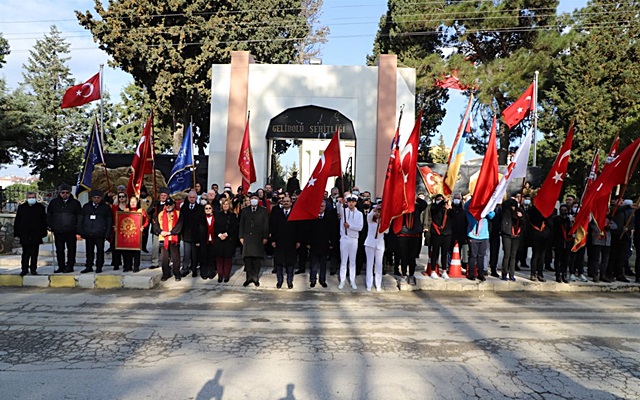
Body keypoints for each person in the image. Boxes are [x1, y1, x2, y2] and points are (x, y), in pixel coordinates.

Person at [46, 183, 82, 273]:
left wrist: (78, 228)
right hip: (58, 230)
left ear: (70, 193)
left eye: (67, 192)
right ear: (59, 193)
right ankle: (61, 266)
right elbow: (49, 215)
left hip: (71, 230)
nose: (65, 194)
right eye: (63, 192)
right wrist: (50, 225)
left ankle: (70, 266)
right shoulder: (54, 202)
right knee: (59, 250)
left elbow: (79, 216)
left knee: (71, 249)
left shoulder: (75, 203)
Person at [238, 192, 269, 287]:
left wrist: (265, 237)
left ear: (258, 200)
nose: (254, 200)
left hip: (258, 238)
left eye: (256, 198)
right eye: (252, 198)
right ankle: (248, 278)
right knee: (247, 259)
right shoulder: (245, 210)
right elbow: (241, 225)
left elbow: (266, 225)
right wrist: (241, 236)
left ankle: (255, 277)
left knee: (256, 259)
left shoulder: (263, 211)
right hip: (247, 238)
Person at [78, 190, 112, 274]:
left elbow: (109, 221)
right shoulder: (86, 206)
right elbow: (81, 219)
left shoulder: (105, 207)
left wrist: (107, 233)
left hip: (100, 233)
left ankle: (99, 266)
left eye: (98, 198)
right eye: (95, 198)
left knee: (100, 251)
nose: (96, 199)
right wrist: (81, 231)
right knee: (89, 251)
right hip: (88, 232)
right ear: (91, 198)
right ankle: (88, 266)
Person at [305, 201, 338, 288]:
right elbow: (307, 231)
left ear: (325, 207)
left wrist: (332, 243)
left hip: (325, 245)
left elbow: (332, 232)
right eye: (319, 206)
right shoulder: (311, 218)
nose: (320, 207)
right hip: (313, 245)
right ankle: (312, 280)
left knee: (323, 265)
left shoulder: (329, 218)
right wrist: (308, 243)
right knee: (313, 264)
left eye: (322, 206)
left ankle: (322, 280)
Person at [14, 192, 48, 276]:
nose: (31, 199)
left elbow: (44, 221)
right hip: (24, 233)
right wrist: (17, 233)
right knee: (25, 253)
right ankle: (24, 269)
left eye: (33, 197)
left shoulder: (40, 207)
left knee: (34, 253)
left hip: (36, 234)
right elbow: (17, 221)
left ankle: (33, 269)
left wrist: (43, 232)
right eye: (29, 197)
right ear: (26, 198)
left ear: (36, 197)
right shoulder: (22, 207)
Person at [397, 195, 428, 285]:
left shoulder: (417, 207)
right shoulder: (402, 207)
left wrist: (416, 198)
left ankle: (411, 274)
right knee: (403, 256)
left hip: (414, 234)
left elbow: (424, 205)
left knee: (412, 257)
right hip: (403, 233)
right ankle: (403, 274)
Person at [269, 196, 298, 289]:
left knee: (290, 263)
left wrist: (298, 241)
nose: (286, 203)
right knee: (279, 263)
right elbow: (273, 227)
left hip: (291, 242)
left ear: (291, 203)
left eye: (287, 201)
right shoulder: (277, 213)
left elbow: (299, 228)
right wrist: (273, 240)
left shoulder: (295, 214)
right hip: (279, 242)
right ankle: (279, 281)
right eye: (284, 201)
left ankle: (289, 281)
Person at [464, 197, 494, 281]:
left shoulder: (485, 210)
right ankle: (471, 274)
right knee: (473, 256)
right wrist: (475, 198)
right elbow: (466, 206)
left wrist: (486, 205)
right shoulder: (471, 209)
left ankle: (480, 274)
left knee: (481, 256)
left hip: (484, 236)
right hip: (473, 235)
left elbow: (492, 215)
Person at [337, 194, 363, 289]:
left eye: (353, 202)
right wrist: (340, 202)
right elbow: (339, 208)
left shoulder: (359, 214)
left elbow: (360, 227)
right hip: (344, 238)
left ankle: (352, 280)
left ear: (355, 203)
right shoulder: (344, 211)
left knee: (352, 261)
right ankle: (342, 280)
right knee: (343, 261)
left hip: (354, 239)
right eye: (349, 202)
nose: (351, 204)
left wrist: (350, 226)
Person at [154, 198, 183, 281]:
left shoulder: (178, 214)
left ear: (173, 205)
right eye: (167, 205)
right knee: (164, 258)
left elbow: (179, 226)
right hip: (163, 238)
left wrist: (170, 232)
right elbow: (156, 225)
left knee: (175, 257)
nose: (168, 206)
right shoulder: (160, 214)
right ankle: (166, 274)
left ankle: (177, 274)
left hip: (173, 238)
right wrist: (161, 231)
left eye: (170, 204)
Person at [179, 190, 206, 278]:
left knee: (194, 254)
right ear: (188, 198)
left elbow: (201, 223)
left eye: (193, 197)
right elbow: (181, 222)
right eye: (190, 197)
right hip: (186, 235)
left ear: (196, 198)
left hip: (196, 236)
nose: (192, 199)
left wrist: (199, 237)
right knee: (186, 254)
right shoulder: (184, 208)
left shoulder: (200, 208)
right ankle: (185, 269)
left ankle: (194, 269)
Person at [213, 198, 239, 283]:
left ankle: (226, 275)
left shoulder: (233, 216)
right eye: (224, 204)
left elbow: (234, 227)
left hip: (229, 240)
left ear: (229, 205)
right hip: (219, 239)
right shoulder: (218, 215)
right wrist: (220, 235)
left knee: (228, 258)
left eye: (227, 204)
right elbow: (215, 227)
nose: (225, 205)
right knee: (219, 258)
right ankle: (220, 275)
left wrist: (226, 234)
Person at [122, 196, 148, 273]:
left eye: (134, 202)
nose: (132, 203)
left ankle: (136, 266)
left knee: (136, 251)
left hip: (137, 234)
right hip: (127, 234)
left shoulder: (141, 211)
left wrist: (143, 226)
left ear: (137, 203)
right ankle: (127, 266)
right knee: (127, 251)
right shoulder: (125, 210)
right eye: (131, 202)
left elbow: (146, 220)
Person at [364, 203, 386, 291]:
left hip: (380, 244)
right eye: (377, 211)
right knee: (369, 264)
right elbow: (369, 216)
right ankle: (369, 284)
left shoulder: (384, 221)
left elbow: (387, 231)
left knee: (379, 265)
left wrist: (382, 224)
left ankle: (378, 284)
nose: (377, 213)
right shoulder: (370, 219)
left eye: (379, 211)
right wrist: (375, 209)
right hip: (370, 243)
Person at [146, 188, 170, 269]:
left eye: (165, 195)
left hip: (166, 228)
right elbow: (148, 212)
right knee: (155, 247)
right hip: (156, 228)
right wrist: (153, 206)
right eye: (162, 195)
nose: (163, 197)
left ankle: (167, 262)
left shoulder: (169, 204)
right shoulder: (155, 203)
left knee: (166, 246)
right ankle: (154, 262)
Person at [429, 193, 452, 279]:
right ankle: (433, 270)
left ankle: (444, 271)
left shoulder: (447, 209)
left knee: (444, 253)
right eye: (438, 199)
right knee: (435, 252)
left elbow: (454, 218)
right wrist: (442, 202)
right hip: (436, 233)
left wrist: (450, 209)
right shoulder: (434, 207)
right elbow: (435, 209)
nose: (440, 201)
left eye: (441, 199)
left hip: (447, 234)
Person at [527, 204, 551, 282]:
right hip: (535, 235)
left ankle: (540, 273)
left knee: (542, 256)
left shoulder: (548, 209)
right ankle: (533, 273)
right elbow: (529, 219)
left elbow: (551, 223)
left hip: (545, 235)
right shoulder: (532, 209)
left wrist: (546, 217)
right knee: (536, 255)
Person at [500, 196, 522, 281]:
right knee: (507, 255)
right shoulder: (506, 213)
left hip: (516, 236)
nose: (513, 208)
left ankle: (512, 274)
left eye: (514, 206)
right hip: (507, 235)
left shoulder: (519, 212)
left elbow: (523, 223)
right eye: (511, 206)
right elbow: (504, 224)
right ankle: (504, 273)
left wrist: (521, 216)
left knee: (513, 256)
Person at [590, 214, 615, 283]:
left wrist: (609, 226)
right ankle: (595, 274)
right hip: (598, 240)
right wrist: (601, 228)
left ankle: (602, 274)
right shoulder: (595, 218)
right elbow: (592, 225)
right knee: (596, 259)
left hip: (607, 241)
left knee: (605, 259)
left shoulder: (608, 219)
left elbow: (615, 226)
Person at [552, 204, 573, 283]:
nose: (564, 211)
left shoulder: (570, 220)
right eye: (562, 209)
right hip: (558, 242)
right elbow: (558, 225)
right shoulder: (556, 219)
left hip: (567, 242)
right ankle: (558, 274)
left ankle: (564, 274)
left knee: (565, 260)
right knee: (558, 259)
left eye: (565, 210)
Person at [111, 191, 129, 270]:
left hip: (126, 230)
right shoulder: (114, 207)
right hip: (116, 230)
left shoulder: (129, 207)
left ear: (126, 198)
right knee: (115, 249)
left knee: (125, 249)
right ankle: (116, 264)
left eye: (123, 196)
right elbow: (111, 217)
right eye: (120, 197)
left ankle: (126, 265)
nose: (121, 198)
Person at [201, 202, 217, 280]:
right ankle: (204, 273)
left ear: (212, 209)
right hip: (204, 240)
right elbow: (197, 230)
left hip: (213, 240)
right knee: (203, 257)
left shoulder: (215, 217)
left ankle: (211, 272)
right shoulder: (201, 218)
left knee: (212, 257)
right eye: (206, 208)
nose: (208, 210)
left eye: (209, 208)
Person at [138, 186, 152, 252]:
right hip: (138, 219)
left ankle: (144, 247)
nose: (143, 193)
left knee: (145, 234)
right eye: (141, 192)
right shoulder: (137, 198)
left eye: (144, 192)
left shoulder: (149, 198)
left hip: (147, 219)